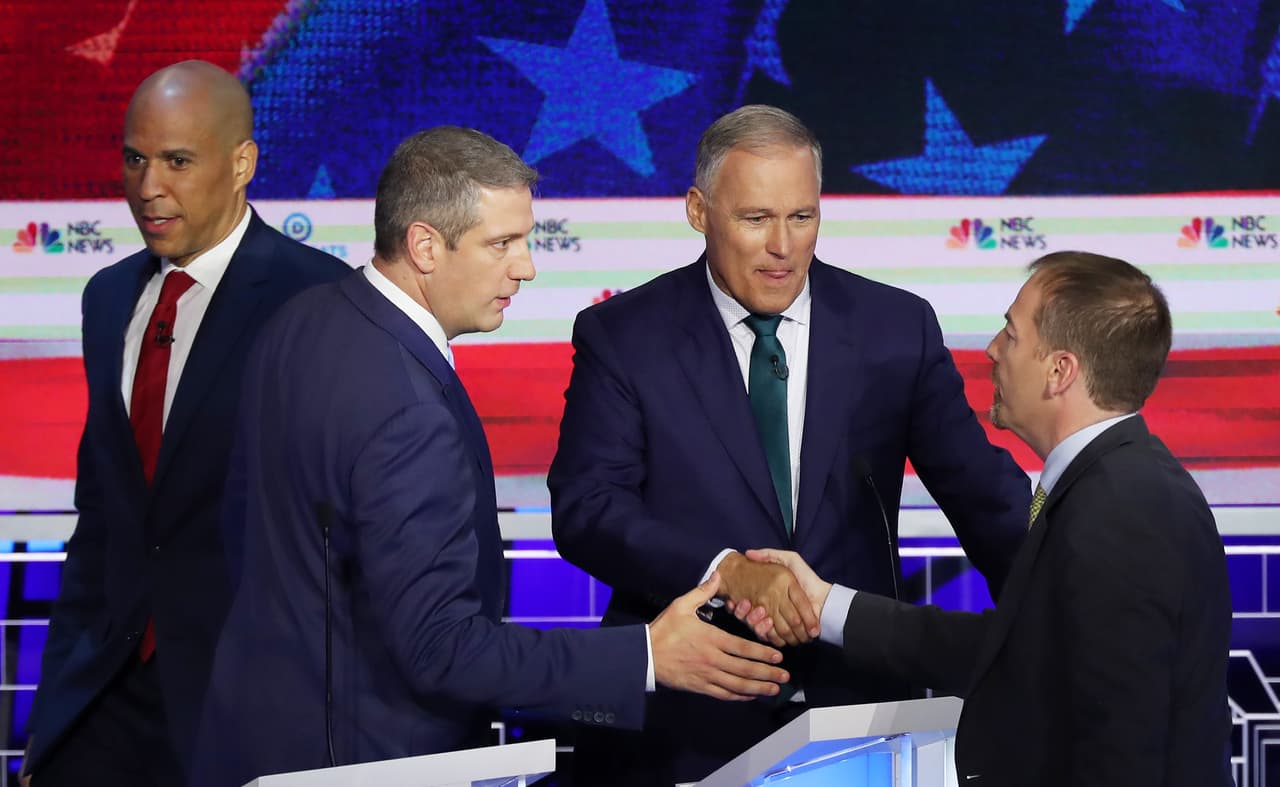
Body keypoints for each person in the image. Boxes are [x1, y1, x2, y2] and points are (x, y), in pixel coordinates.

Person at [188, 126, 789, 787]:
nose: (526, 266)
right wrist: (646, 654)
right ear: (424, 245)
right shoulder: (408, 410)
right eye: (502, 243)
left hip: (249, 746)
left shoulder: (301, 321)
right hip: (363, 763)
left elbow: (255, 543)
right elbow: (442, 647)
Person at [547, 104, 1032, 783]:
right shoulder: (625, 336)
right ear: (698, 209)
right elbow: (588, 509)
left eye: (801, 217)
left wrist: (1073, 583)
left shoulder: (896, 328)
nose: (783, 245)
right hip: (689, 721)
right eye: (756, 218)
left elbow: (985, 497)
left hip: (857, 723)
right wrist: (723, 567)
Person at [736, 251, 1232, 786]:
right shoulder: (1115, 484)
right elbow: (1013, 650)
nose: (992, 350)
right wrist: (827, 605)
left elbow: (1121, 745)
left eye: (1011, 334)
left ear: (1059, 370)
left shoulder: (1121, 510)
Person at [20, 61, 352, 787]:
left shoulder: (320, 300)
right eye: (134, 159)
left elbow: (348, 534)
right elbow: (103, 520)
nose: (147, 188)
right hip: (102, 702)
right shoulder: (108, 298)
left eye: (176, 161)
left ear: (242, 164)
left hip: (247, 711)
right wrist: (48, 721)